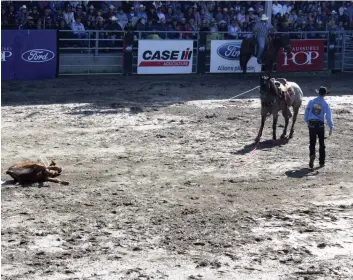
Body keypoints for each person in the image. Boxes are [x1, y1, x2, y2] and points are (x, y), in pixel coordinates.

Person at [304, 87, 334, 169]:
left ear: (318, 93)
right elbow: (328, 116)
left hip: (312, 123)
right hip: (320, 124)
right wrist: (331, 126)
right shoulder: (325, 103)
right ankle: (321, 162)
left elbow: (307, 111)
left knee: (312, 142)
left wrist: (306, 120)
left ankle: (312, 154)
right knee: (321, 143)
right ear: (325, 94)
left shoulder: (311, 101)